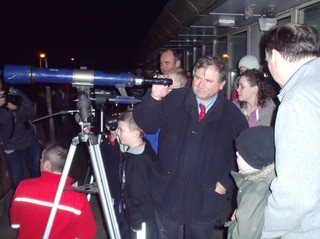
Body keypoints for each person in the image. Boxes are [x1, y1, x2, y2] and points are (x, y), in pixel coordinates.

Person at [133, 55, 248, 239]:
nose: (201, 84)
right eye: (198, 77)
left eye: (208, 80)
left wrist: (224, 184)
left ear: (221, 84)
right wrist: (154, 97)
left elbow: (240, 154)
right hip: (168, 191)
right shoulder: (174, 99)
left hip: (205, 197)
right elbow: (147, 124)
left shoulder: (232, 117)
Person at [262, 23, 320, 238]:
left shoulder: (298, 99)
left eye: (267, 61)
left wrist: (266, 231)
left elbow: (297, 193)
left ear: (275, 56)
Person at [10, 142, 96, 239]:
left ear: (47, 165)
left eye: (41, 159)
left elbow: (15, 224)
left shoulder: (23, 187)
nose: (39, 161)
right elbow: (87, 234)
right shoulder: (78, 198)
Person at [225, 126, 276, 239]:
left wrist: (235, 221)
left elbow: (243, 235)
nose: (236, 154)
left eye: (240, 154)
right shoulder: (269, 180)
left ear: (252, 160)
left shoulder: (254, 194)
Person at [116, 110, 158, 239]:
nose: (117, 132)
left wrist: (135, 222)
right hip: (146, 215)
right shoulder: (143, 145)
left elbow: (137, 195)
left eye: (121, 130)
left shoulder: (137, 162)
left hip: (141, 219)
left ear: (135, 133)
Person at [0, 86, 40, 189]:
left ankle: (39, 196)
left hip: (29, 139)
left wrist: (17, 108)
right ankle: (21, 202)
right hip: (10, 145)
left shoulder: (14, 92)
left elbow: (31, 112)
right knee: (16, 180)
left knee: (37, 171)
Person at [100, 114, 131, 239]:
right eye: (112, 126)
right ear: (107, 127)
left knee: (124, 219)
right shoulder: (103, 144)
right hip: (112, 187)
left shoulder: (124, 142)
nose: (115, 130)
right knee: (114, 218)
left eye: (117, 126)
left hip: (124, 187)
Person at [146, 67, 189, 153]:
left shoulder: (168, 97)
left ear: (179, 83)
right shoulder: (188, 96)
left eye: (169, 81)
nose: (165, 83)